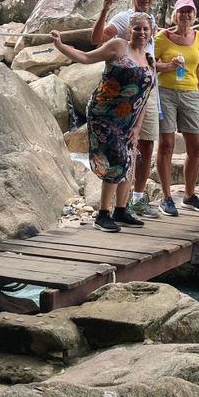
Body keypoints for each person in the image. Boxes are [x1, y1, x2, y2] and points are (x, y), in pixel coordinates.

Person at [51, 12, 156, 232]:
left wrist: (137, 127)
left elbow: (144, 97)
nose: (141, 32)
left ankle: (120, 210)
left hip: (128, 120)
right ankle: (103, 214)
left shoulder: (149, 60)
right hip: (103, 114)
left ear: (151, 32)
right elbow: (86, 58)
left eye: (146, 29)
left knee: (129, 160)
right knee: (117, 157)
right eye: (137, 28)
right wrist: (60, 45)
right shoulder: (118, 46)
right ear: (129, 30)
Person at [91, 0, 161, 219]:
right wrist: (104, 10)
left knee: (144, 145)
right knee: (121, 150)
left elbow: (149, 59)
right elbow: (97, 40)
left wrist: (168, 66)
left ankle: (134, 201)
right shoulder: (124, 19)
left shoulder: (153, 23)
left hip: (147, 92)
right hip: (122, 97)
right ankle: (107, 211)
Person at [153, 0, 199, 215]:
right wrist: (167, 65)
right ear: (174, 15)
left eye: (189, 11)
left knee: (195, 145)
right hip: (165, 92)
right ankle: (166, 197)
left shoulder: (198, 37)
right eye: (181, 11)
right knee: (166, 144)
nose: (185, 15)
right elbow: (149, 63)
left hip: (190, 94)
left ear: (195, 16)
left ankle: (189, 194)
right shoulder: (161, 37)